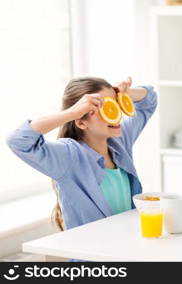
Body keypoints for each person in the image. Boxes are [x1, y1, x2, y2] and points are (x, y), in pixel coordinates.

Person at [7, 77, 157, 231]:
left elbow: (150, 100)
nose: (116, 113)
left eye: (114, 104)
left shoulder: (119, 141)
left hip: (124, 248)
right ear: (80, 122)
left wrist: (126, 93)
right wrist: (71, 113)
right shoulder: (68, 155)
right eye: (103, 107)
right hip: (91, 253)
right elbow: (18, 141)